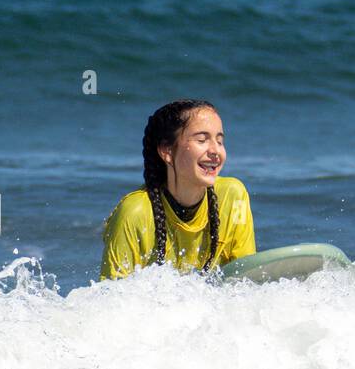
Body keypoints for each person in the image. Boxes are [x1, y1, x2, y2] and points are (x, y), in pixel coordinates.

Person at [100, 99, 255, 279]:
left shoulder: (232, 195)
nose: (215, 151)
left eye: (220, 141)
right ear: (167, 151)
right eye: (202, 140)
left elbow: (246, 280)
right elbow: (111, 297)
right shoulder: (135, 212)